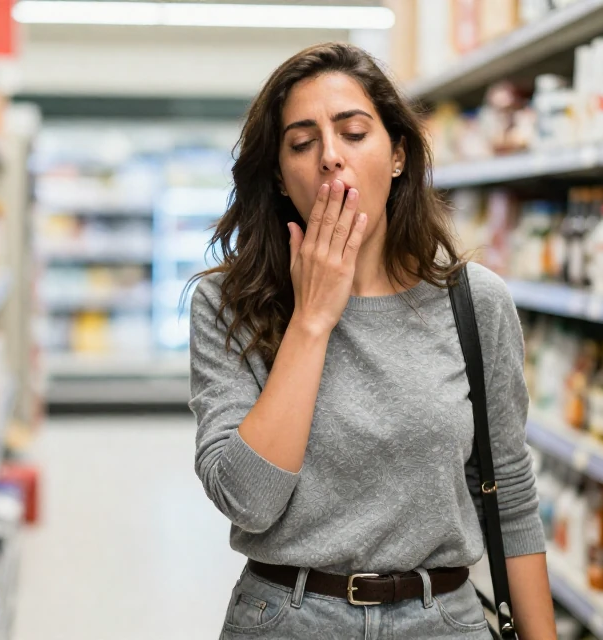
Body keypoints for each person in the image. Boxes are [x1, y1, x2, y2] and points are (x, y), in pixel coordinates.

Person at [188, 43, 556, 639]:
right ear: (281, 178)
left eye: (354, 133)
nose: (331, 157)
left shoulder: (475, 302)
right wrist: (312, 320)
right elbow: (246, 499)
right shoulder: (228, 305)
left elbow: (509, 499)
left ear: (397, 156)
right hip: (288, 619)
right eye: (303, 144)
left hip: (442, 619)